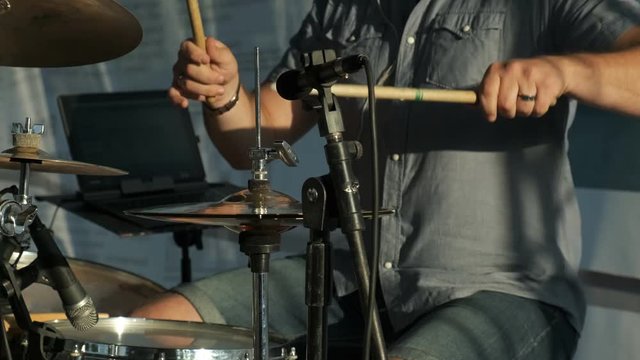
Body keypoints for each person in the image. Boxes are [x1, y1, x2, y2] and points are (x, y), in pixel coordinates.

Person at [131, 1, 640, 359]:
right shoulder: (343, 8)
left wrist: (564, 70)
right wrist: (223, 94)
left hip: (503, 290)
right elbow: (253, 139)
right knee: (153, 328)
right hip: (356, 274)